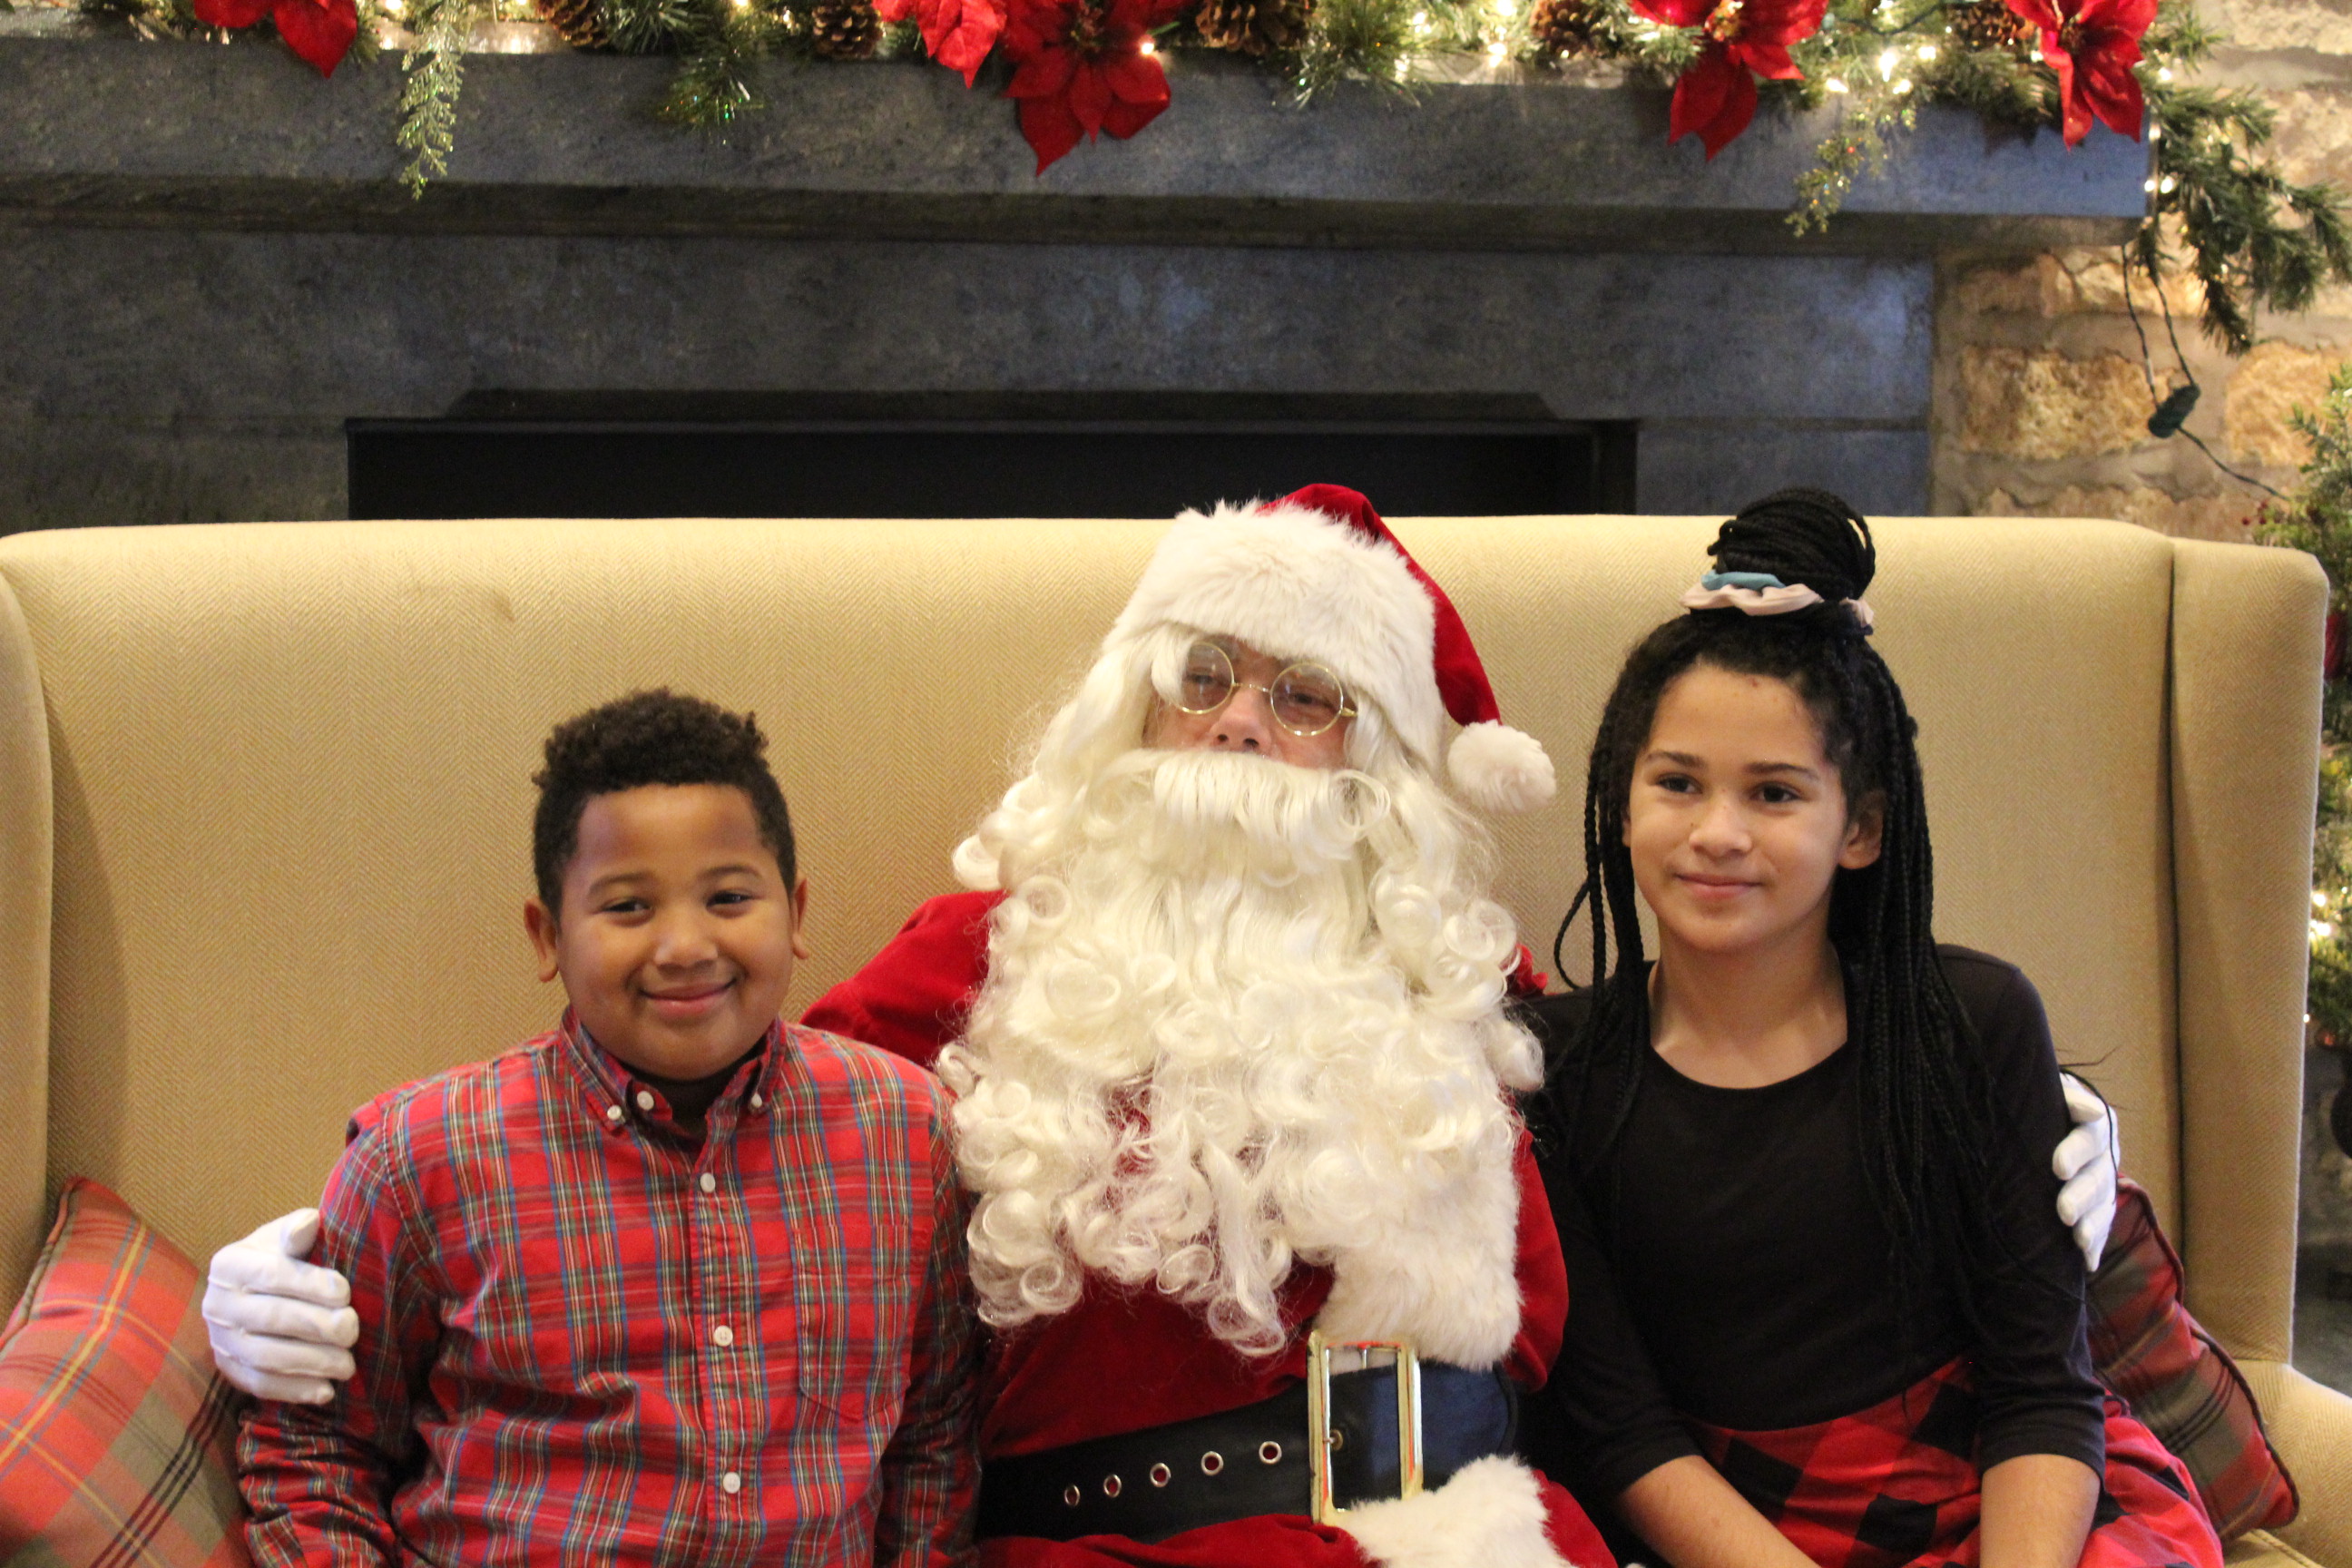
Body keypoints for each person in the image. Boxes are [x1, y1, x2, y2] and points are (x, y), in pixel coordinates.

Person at [203, 486, 2121, 1567]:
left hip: (1478, 1529)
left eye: (1306, 697)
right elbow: (711, 1101)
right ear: (1131, 700)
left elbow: (1731, 1093)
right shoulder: (987, 949)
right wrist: (309, 1248)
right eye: (1204, 674)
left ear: (1377, 764)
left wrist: (2058, 1134)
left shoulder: (1467, 975)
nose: (1237, 730)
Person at [1517, 490, 2221, 1568]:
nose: (1717, 832)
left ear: (1863, 828)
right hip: (1724, 1530)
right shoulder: (1550, 1069)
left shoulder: (1973, 1024)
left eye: (1775, 794)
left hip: (2004, 1503)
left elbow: (2041, 1389)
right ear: (1620, 801)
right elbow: (1621, 1432)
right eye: (1678, 783)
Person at [236, 691, 976, 1567]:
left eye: (729, 897)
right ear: (548, 936)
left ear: (797, 912)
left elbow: (933, 1438)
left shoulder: (906, 1135)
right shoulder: (420, 1158)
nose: (685, 946)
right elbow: (314, 1452)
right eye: (628, 907)